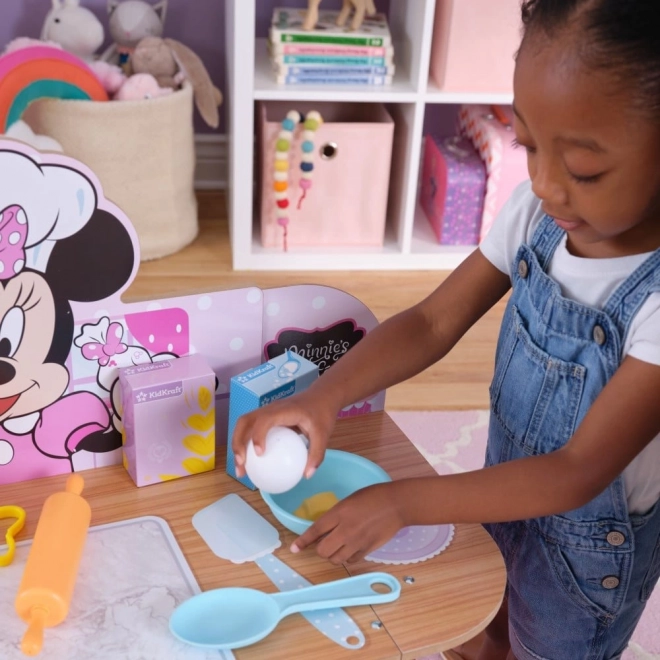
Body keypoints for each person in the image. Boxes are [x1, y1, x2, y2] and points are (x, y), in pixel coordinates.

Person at [232, 1, 660, 657]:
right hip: (500, 487)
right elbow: (432, 321)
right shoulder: (536, 217)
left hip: (586, 552)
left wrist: (402, 502)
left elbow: (577, 472)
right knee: (484, 614)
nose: (543, 184)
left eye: (583, 170)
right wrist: (322, 396)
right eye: (527, 145)